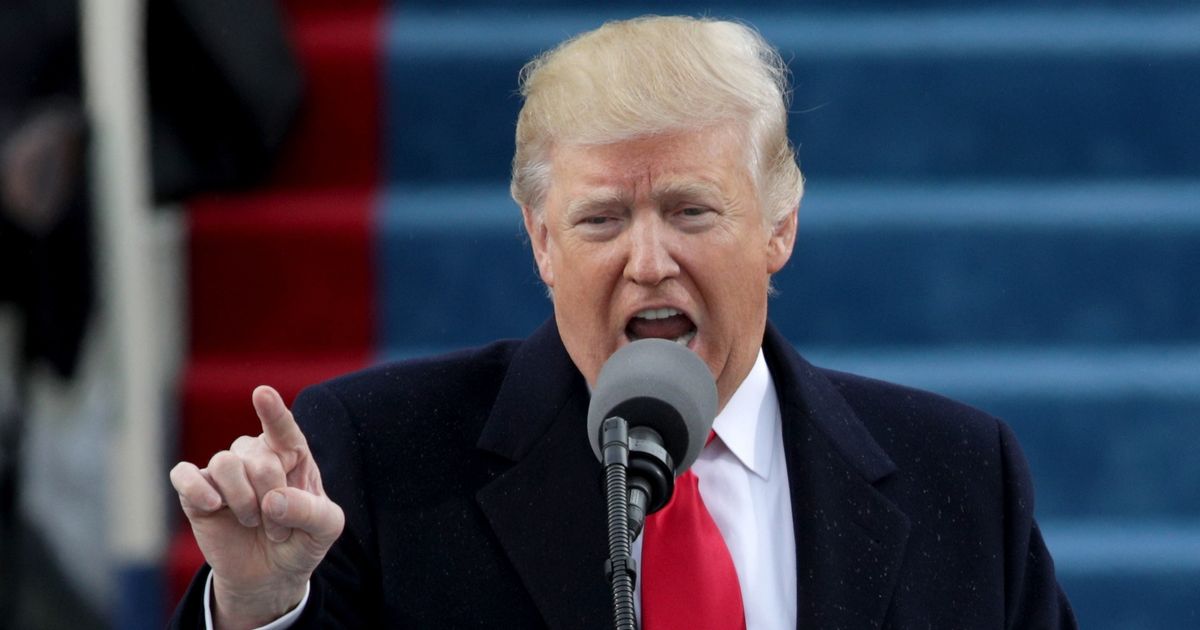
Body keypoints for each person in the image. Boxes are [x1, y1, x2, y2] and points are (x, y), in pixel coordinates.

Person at [169, 15, 1077, 629]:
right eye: (602, 220)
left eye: (691, 211)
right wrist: (256, 608)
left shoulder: (961, 473)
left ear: (779, 226)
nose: (648, 261)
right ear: (542, 242)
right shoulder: (375, 454)